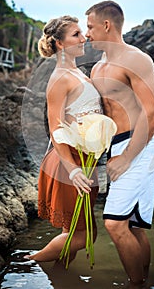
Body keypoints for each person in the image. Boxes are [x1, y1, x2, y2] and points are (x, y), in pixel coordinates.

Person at [85, 1, 154, 288]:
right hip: (115, 148)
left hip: (137, 146)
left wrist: (127, 157)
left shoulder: (136, 59)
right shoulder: (97, 68)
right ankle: (145, 282)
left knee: (115, 225)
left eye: (91, 27)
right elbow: (101, 116)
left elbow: (153, 112)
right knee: (133, 228)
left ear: (107, 25)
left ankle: (135, 285)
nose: (88, 34)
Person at [25, 15, 102, 263]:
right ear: (60, 43)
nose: (84, 38)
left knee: (73, 231)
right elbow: (56, 128)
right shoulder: (59, 78)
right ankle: (29, 261)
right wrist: (72, 171)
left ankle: (58, 275)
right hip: (68, 162)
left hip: (86, 159)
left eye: (82, 33)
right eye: (76, 35)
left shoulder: (78, 72)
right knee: (84, 235)